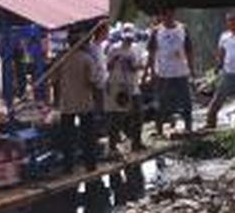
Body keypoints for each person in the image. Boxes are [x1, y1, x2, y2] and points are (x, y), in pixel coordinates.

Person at [56, 31, 100, 173]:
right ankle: (90, 165)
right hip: (84, 102)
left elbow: (54, 80)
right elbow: (92, 81)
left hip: (67, 102)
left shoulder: (62, 58)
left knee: (67, 137)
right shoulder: (87, 59)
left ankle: (68, 167)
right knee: (87, 135)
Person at [147, 9, 194, 135]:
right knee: (161, 102)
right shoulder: (156, 31)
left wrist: (191, 70)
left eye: (170, 14)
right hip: (163, 73)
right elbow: (151, 53)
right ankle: (159, 130)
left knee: (186, 101)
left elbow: (189, 50)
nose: (168, 17)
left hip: (181, 72)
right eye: (165, 15)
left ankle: (188, 127)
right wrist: (151, 72)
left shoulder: (183, 28)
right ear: (162, 16)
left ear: (174, 14)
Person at [106, 24, 145, 152]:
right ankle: (112, 145)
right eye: (126, 38)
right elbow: (108, 66)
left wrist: (135, 66)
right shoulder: (114, 49)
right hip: (120, 87)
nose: (128, 40)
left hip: (133, 85)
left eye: (130, 38)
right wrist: (116, 61)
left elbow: (140, 65)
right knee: (118, 116)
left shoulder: (136, 49)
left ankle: (136, 142)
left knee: (138, 115)